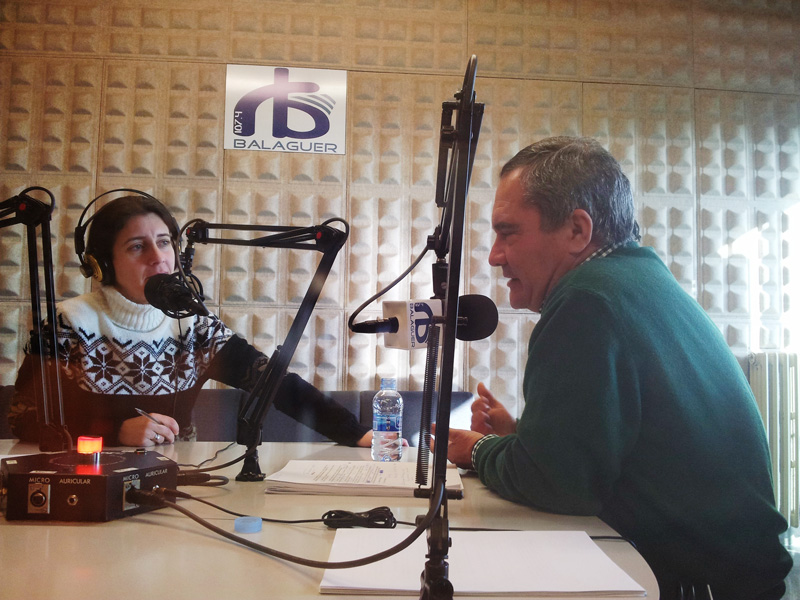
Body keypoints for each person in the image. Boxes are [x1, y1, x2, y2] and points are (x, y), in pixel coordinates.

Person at [437, 137, 792, 599]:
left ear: (577, 231)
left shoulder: (587, 300)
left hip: (702, 585)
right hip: (734, 576)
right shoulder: (634, 279)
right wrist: (520, 438)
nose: (494, 255)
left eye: (508, 233)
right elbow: (608, 452)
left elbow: (557, 485)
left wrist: (479, 449)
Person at [8, 194, 371, 449]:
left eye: (164, 242)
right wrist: (114, 432)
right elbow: (23, 416)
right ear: (102, 264)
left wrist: (356, 433)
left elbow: (276, 384)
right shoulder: (71, 322)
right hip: (87, 481)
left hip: (178, 480)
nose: (158, 258)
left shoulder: (193, 326)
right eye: (137, 246)